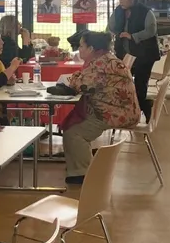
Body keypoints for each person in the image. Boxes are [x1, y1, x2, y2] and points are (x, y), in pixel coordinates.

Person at [60, 31, 141, 185]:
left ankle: (83, 174)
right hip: (117, 109)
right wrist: (77, 78)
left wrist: (75, 79)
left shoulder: (101, 63)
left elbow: (82, 85)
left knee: (74, 133)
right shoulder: (104, 59)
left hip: (115, 113)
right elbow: (82, 78)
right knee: (75, 128)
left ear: (91, 48)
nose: (79, 49)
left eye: (82, 46)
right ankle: (78, 165)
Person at [107, 0, 161, 121]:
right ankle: (135, 110)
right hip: (125, 54)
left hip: (145, 55)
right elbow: (110, 26)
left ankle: (144, 109)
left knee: (140, 84)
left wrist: (133, 36)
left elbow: (151, 30)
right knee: (126, 84)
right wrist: (115, 34)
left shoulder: (145, 12)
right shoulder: (118, 10)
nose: (121, 1)